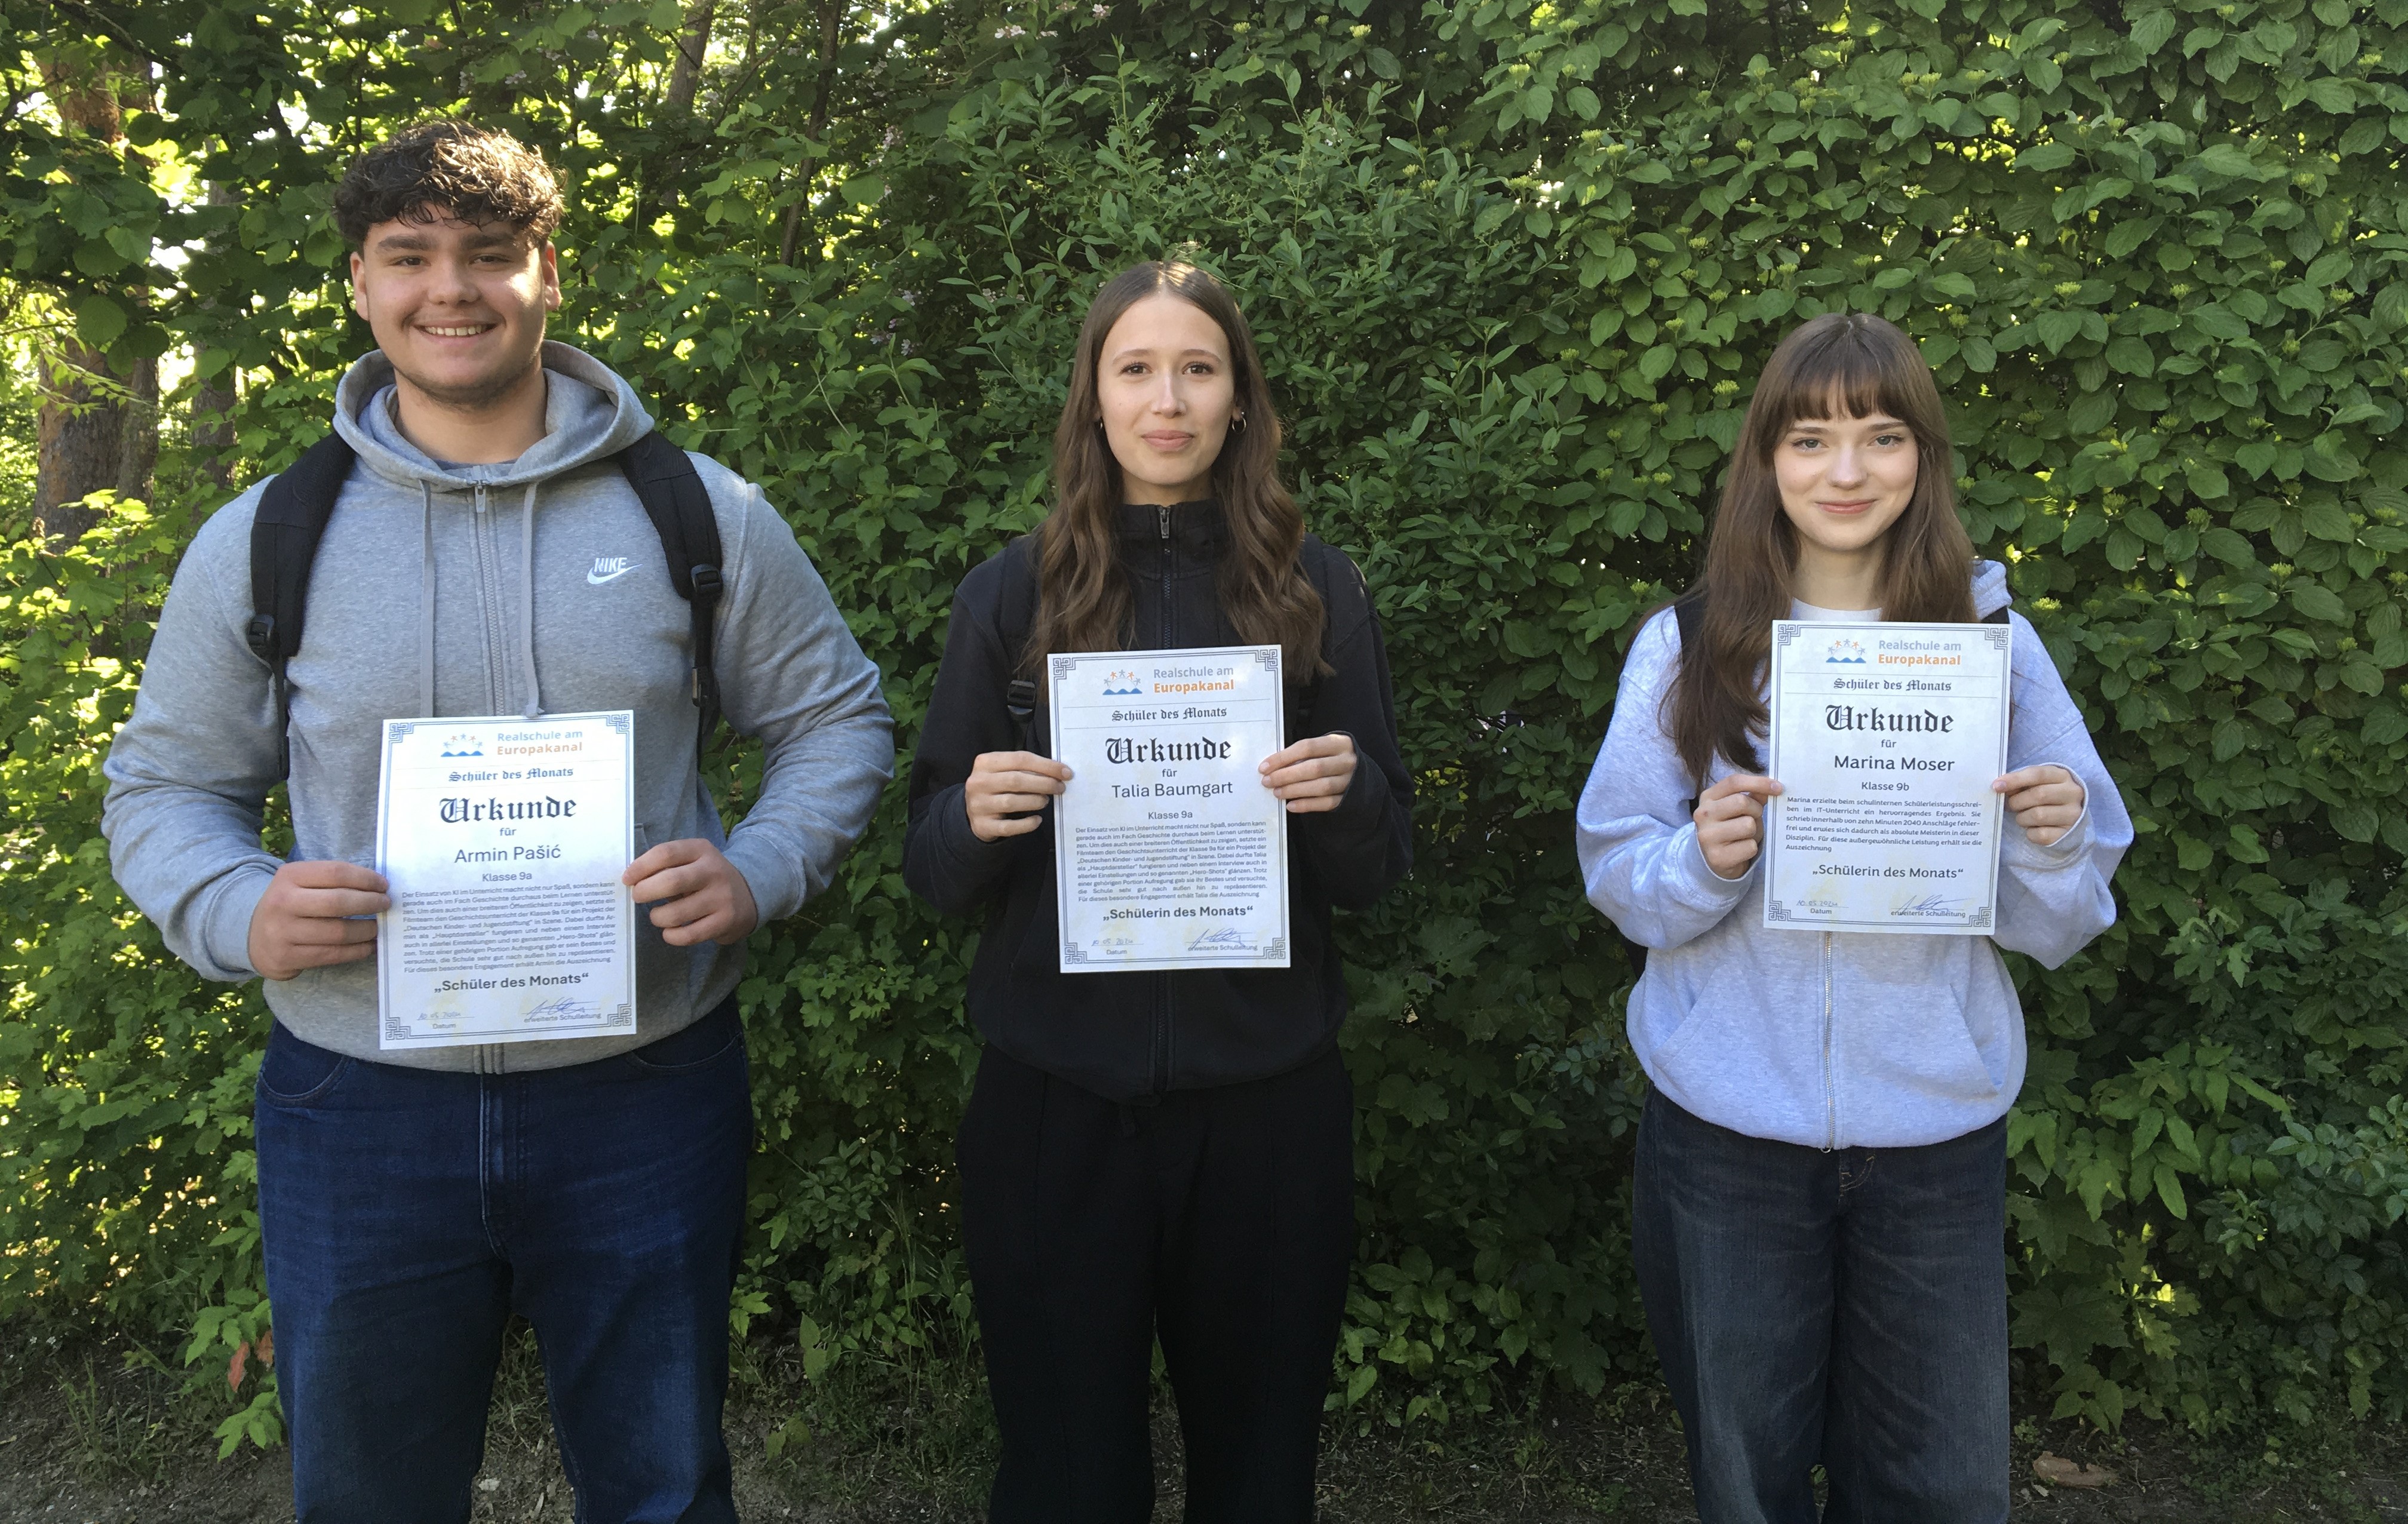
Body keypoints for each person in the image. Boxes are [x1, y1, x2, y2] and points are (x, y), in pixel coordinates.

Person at [100, 119, 894, 1522]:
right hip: (359, 1103)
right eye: (409, 257)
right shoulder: (267, 537)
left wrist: (761, 867)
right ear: (360, 283)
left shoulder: (696, 512)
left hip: (646, 1087)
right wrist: (238, 907)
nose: (449, 289)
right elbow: (165, 788)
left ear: (547, 274)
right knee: (370, 1497)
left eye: (486, 254)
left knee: (662, 1490)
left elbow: (836, 719)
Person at [1575, 312, 2130, 1523]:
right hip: (1730, 1130)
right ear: (1765, 459)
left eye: (1882, 436)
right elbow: (1617, 870)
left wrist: (2050, 837)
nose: (1846, 470)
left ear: (1924, 457)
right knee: (1749, 1480)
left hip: (1933, 1136)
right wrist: (1701, 861)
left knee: (1941, 1487)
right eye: (1811, 438)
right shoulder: (1687, 646)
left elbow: (2067, 918)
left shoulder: (1993, 647)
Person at [904, 261, 1412, 1523]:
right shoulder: (1011, 592)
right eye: (1136, 369)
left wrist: (1348, 793)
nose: (1167, 400)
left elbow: (1380, 873)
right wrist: (971, 818)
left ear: (1241, 400)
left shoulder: (1317, 587)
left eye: (1198, 369)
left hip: (1267, 1110)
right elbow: (929, 870)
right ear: (1094, 397)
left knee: (1261, 1476)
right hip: (1055, 1109)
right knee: (1066, 1480)